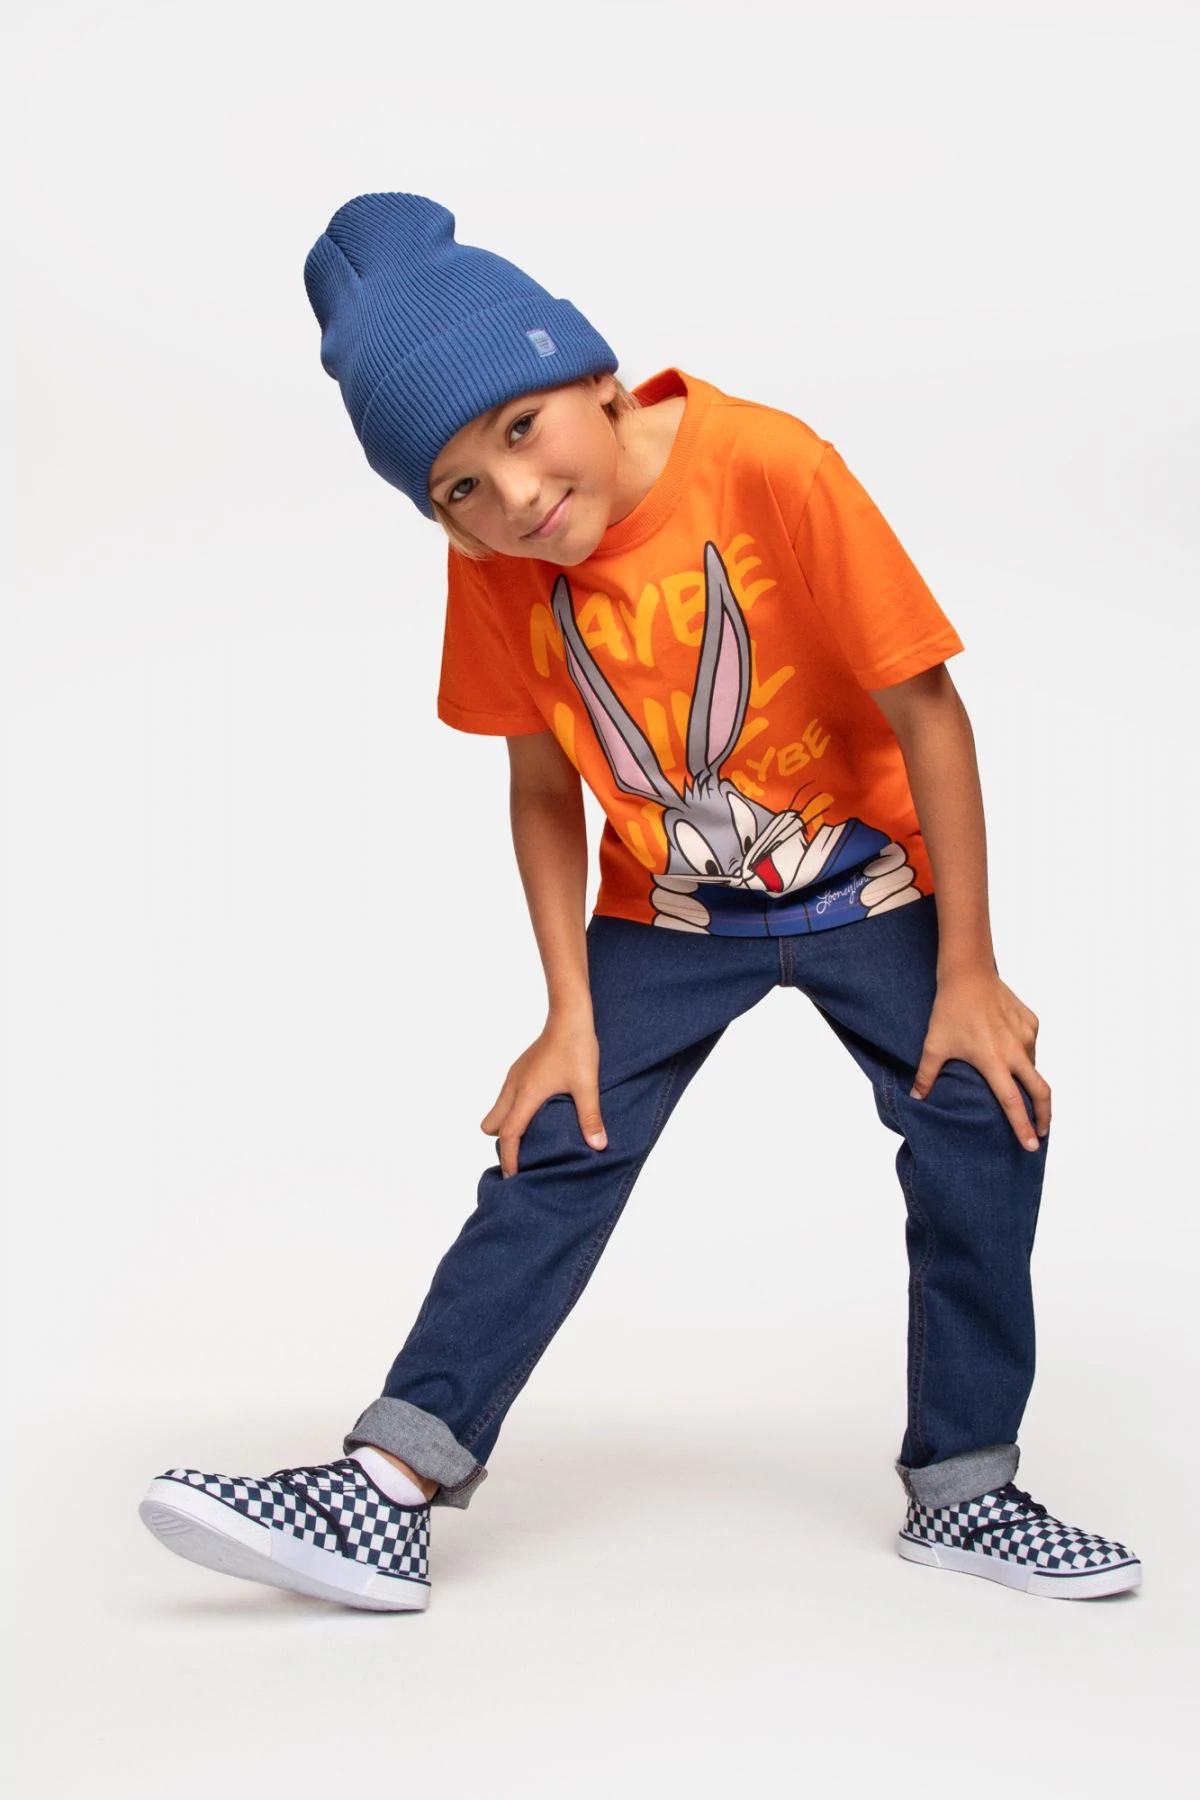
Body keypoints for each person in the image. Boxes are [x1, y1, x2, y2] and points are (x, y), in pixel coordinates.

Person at [138, 191, 1140, 1612]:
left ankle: (967, 1486)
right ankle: (389, 1486)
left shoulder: (771, 467)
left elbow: (929, 710)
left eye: (520, 428)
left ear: (596, 379)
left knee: (987, 1108)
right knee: (560, 1130)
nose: (512, 496)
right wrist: (566, 1012)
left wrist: (969, 969)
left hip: (869, 878)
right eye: (457, 489)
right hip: (670, 912)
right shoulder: (497, 568)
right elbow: (541, 787)